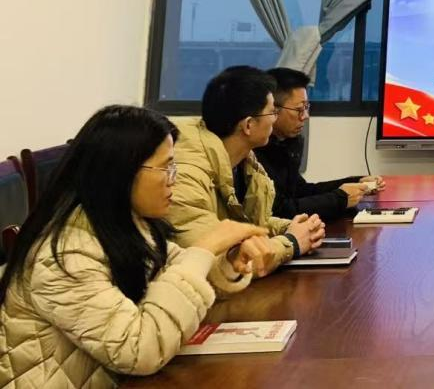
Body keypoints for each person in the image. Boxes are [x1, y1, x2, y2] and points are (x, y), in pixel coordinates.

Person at [0, 105, 269, 386]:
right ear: (121, 173)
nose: (173, 180)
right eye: (165, 167)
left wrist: (227, 262)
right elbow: (140, 350)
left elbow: (179, 278)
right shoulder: (65, 255)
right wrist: (203, 250)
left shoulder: (124, 223)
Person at [168, 66, 325, 276]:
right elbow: (222, 260)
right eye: (273, 112)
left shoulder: (244, 161)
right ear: (248, 125)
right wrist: (292, 242)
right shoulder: (186, 175)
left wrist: (291, 227)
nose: (275, 118)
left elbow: (247, 222)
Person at [255, 67, 384, 222]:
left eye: (306, 107)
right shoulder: (255, 150)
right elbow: (279, 211)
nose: (306, 116)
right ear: (273, 109)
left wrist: (355, 183)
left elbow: (300, 191)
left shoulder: (286, 143)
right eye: (299, 109)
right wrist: (340, 199)